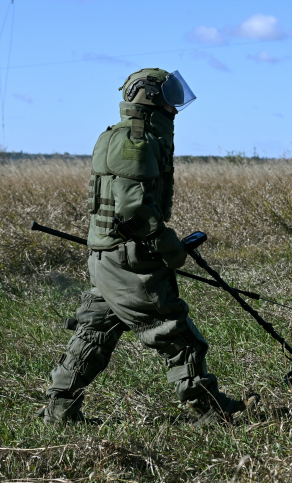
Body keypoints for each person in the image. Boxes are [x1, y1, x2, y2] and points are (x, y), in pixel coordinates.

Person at [38, 68, 254, 426]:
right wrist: (169, 247)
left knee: (93, 334)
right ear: (150, 98)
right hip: (130, 259)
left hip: (108, 257)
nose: (176, 104)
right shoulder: (136, 140)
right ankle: (211, 412)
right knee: (176, 334)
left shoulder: (121, 135)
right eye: (170, 94)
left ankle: (59, 410)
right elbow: (133, 208)